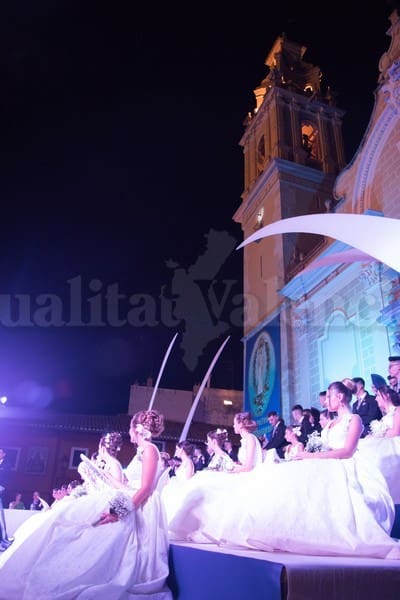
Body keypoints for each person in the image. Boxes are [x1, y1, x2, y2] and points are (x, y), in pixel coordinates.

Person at [167, 381, 400, 559]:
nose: (326, 400)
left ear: (340, 397)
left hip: (342, 466)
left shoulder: (354, 419)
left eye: (329, 396)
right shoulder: (330, 423)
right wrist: (304, 454)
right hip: (322, 461)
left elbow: (347, 451)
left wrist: (310, 456)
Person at [0, 412, 172, 599]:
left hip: (139, 506)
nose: (128, 432)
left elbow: (146, 488)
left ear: (136, 429)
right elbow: (131, 486)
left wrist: (119, 511)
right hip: (130, 498)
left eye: (130, 428)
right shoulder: (142, 451)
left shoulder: (149, 449)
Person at [358, 381, 400, 504]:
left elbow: (396, 432)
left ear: (386, 396)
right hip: (385, 447)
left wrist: (378, 436)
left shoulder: (397, 410)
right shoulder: (384, 417)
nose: (376, 398)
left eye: (377, 395)